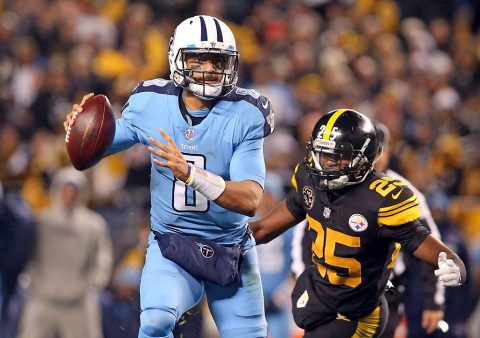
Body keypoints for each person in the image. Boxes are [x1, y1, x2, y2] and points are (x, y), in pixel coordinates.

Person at [64, 15, 274, 338]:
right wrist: (81, 132)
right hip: (172, 244)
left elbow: (250, 200)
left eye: (217, 60)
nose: (209, 69)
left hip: (231, 249)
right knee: (155, 322)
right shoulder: (152, 104)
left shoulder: (245, 114)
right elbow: (96, 149)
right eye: (198, 59)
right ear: (178, 60)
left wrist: (190, 174)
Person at [251, 109, 466, 338]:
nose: (325, 164)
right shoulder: (310, 180)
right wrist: (225, 240)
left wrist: (454, 265)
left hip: (358, 313)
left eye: (336, 157)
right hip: (321, 295)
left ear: (363, 158)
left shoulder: (381, 199)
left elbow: (425, 244)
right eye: (322, 154)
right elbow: (263, 229)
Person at [17, 167, 113, 338]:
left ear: (81, 193)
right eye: (65, 190)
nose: (69, 195)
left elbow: (102, 261)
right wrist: (31, 281)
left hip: (79, 302)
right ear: (56, 190)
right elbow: (28, 255)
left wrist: (91, 284)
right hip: (43, 299)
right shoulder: (42, 222)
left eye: (74, 191)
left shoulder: (94, 225)